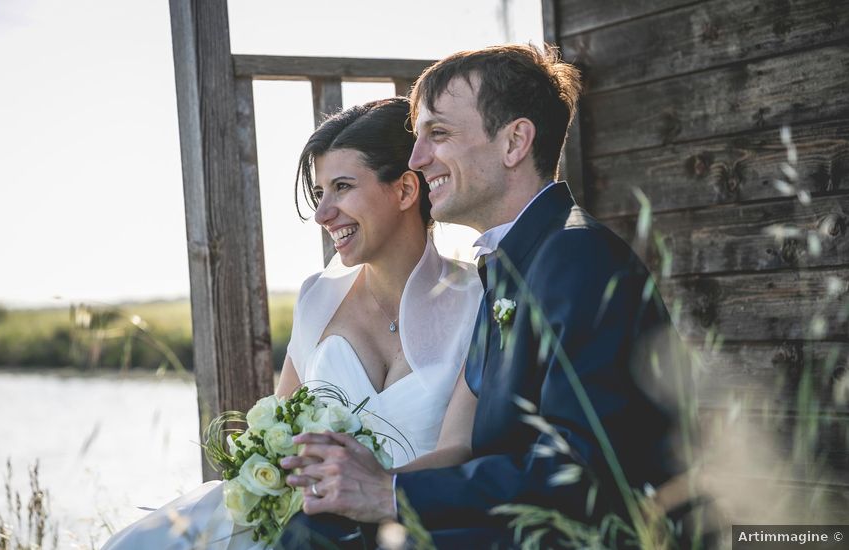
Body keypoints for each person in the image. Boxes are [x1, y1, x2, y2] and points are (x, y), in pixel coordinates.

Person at [278, 44, 699, 549]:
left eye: (438, 134)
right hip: (515, 526)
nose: (416, 159)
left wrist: (389, 493)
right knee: (318, 529)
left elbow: (579, 475)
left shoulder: (577, 257)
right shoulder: (507, 265)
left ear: (515, 142)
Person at [100, 97, 483, 550]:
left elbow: (460, 453)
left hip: (411, 530)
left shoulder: (479, 301)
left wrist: (370, 488)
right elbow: (273, 432)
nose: (323, 213)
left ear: (404, 191)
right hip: (303, 526)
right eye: (321, 193)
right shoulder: (318, 297)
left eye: (342, 186)